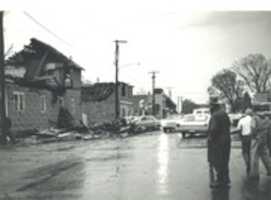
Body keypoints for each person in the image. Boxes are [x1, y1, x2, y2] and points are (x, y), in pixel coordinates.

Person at [208, 97, 231, 188]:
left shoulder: (215, 115)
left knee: (217, 161)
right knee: (225, 160)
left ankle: (220, 180)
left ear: (213, 107)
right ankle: (226, 179)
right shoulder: (224, 114)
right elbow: (229, 125)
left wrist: (210, 138)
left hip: (218, 142)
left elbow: (214, 129)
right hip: (226, 140)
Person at [249, 112, 271, 179]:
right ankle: (270, 169)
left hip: (256, 139)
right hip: (264, 138)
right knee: (265, 155)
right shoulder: (267, 119)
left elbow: (252, 128)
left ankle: (255, 174)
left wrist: (253, 136)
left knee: (254, 156)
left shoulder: (254, 118)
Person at [236, 108, 254, 176]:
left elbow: (238, 129)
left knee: (244, 152)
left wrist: (240, 137)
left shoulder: (242, 120)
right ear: (251, 113)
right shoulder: (253, 119)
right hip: (251, 137)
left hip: (244, 137)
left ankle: (247, 163)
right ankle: (251, 163)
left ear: (246, 113)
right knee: (250, 151)